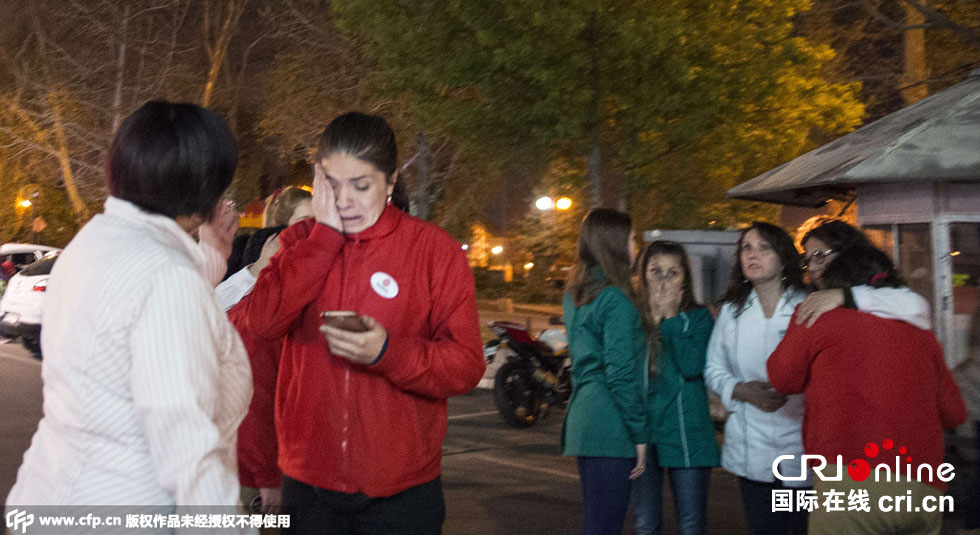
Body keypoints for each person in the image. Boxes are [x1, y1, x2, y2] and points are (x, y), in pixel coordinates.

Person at [239, 111, 484, 534]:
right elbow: (259, 325)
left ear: (390, 183)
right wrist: (324, 238)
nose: (344, 200)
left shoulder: (434, 251)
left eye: (361, 186)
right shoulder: (298, 242)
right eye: (332, 185)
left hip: (403, 491)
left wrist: (389, 352)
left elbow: (465, 365)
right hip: (307, 484)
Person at [5, 101, 251, 508]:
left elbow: (125, 332)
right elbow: (188, 450)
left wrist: (205, 263)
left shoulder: (90, 245)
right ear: (205, 187)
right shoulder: (168, 278)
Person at [704, 221, 934, 535]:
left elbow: (911, 306)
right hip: (751, 445)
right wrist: (739, 389)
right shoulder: (732, 311)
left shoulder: (815, 302)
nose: (753, 255)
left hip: (804, 448)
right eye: (746, 248)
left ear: (784, 259)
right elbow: (713, 368)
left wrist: (845, 296)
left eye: (764, 247)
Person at [768, 242, 966, 535]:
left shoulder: (816, 316)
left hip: (851, 480)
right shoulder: (922, 334)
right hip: (924, 486)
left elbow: (782, 378)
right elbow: (954, 413)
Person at [561, 208, 647, 535]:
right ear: (616, 244)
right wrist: (639, 433)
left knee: (596, 523)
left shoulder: (575, 295)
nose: (636, 245)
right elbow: (620, 374)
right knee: (606, 524)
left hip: (583, 420)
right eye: (632, 238)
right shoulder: (616, 299)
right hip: (611, 426)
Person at [632, 241, 719, 535]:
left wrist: (669, 320)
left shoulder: (699, 317)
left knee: (692, 525)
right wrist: (652, 321)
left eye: (673, 273)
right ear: (643, 275)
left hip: (687, 434)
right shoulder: (633, 319)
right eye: (655, 271)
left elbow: (692, 366)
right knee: (645, 524)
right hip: (644, 435)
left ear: (685, 279)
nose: (663, 280)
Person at [217, 186, 312, 310]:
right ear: (286, 222)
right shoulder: (263, 251)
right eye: (304, 221)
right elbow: (217, 303)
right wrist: (258, 266)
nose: (313, 226)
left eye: (317, 220)